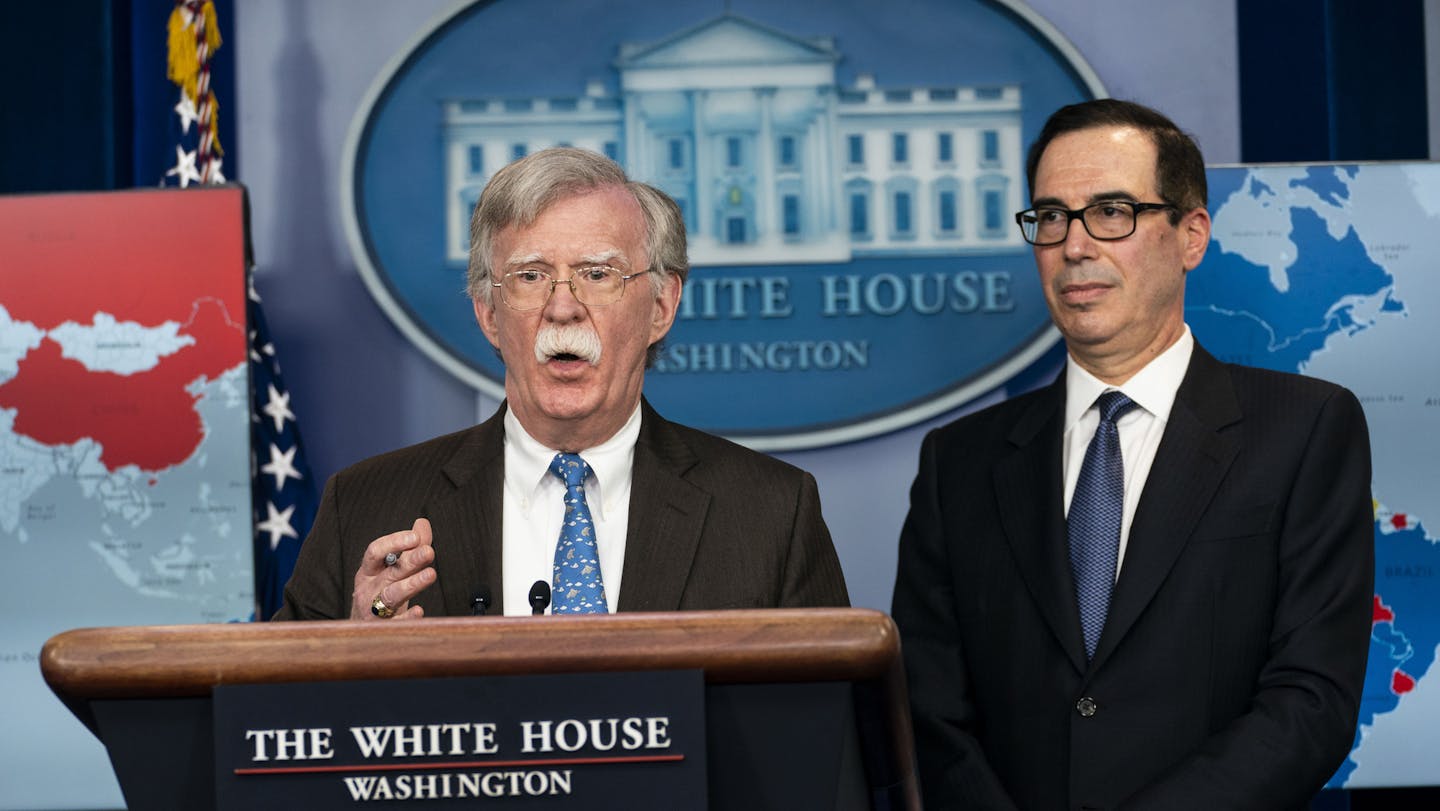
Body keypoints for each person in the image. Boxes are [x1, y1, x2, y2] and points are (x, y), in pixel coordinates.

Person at [891, 99, 1373, 810]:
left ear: (1192, 235)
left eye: (1112, 211)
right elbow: (926, 710)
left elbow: (1310, 700)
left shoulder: (1304, 430)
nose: (1075, 246)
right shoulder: (957, 462)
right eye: (1051, 216)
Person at [275, 147, 848, 621]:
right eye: (531, 276)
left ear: (662, 305)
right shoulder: (367, 507)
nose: (563, 307)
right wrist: (348, 655)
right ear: (488, 313)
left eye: (598, 275)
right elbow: (277, 730)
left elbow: (828, 739)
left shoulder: (770, 514)